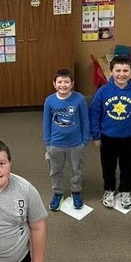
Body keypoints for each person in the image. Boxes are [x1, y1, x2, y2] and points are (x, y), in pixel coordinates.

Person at [88, 55, 131, 209]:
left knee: (128, 167)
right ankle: (108, 189)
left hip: (128, 137)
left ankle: (125, 190)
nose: (121, 74)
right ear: (111, 71)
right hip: (107, 137)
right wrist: (95, 135)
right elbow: (94, 114)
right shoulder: (102, 92)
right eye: (118, 70)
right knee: (108, 166)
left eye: (125, 70)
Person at [42, 68, 89, 211]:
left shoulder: (79, 99)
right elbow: (46, 122)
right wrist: (48, 142)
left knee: (76, 169)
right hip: (55, 144)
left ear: (72, 83)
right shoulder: (50, 100)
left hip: (76, 143)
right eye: (60, 82)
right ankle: (57, 193)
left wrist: (84, 140)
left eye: (66, 81)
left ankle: (76, 192)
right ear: (54, 84)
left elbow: (85, 120)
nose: (63, 84)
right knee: (55, 170)